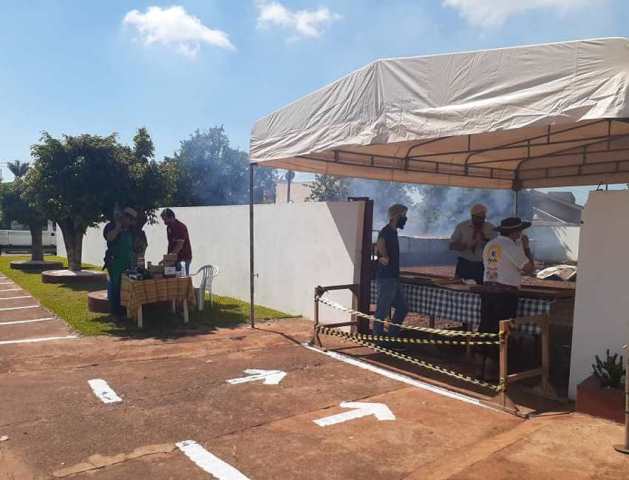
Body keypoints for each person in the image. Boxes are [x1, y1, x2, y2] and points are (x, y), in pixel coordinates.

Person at [478, 217, 535, 379]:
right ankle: (491, 370)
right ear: (515, 232)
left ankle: (479, 368)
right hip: (505, 295)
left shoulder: (490, 244)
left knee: (486, 328)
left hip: (488, 291)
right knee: (501, 331)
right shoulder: (511, 246)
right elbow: (529, 268)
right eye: (520, 231)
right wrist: (526, 247)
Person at [374, 204, 409, 341]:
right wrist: (384, 256)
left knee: (402, 308)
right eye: (403, 215)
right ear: (396, 216)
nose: (405, 218)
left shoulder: (393, 232)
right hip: (386, 278)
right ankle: (379, 339)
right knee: (382, 310)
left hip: (393, 278)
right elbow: (380, 245)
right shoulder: (386, 232)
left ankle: (391, 337)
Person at [450, 204, 496, 285]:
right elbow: (451, 245)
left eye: (483, 218)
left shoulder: (491, 228)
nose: (481, 220)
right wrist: (464, 246)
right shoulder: (462, 226)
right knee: (459, 287)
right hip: (464, 264)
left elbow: (496, 248)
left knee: (482, 288)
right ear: (472, 216)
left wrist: (485, 242)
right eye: (478, 218)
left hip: (483, 265)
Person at [103, 207, 137, 319]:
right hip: (115, 263)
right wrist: (118, 228)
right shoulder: (111, 226)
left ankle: (126, 311)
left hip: (128, 263)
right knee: (115, 288)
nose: (131, 223)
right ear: (124, 217)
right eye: (129, 219)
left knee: (127, 287)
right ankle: (116, 313)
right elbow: (109, 238)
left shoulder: (131, 230)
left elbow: (133, 247)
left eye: (132, 221)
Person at [160, 208, 192, 275]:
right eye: (163, 220)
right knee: (171, 277)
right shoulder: (169, 227)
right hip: (175, 258)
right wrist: (167, 258)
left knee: (182, 279)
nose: (164, 222)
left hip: (184, 258)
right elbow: (171, 244)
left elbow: (179, 245)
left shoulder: (181, 227)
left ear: (171, 217)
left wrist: (169, 258)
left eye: (165, 219)